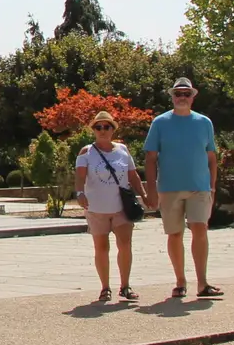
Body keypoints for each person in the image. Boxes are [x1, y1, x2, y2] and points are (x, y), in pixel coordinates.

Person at [144, 77, 223, 299]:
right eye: (178, 94)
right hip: (169, 188)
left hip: (199, 187)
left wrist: (212, 188)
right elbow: (150, 158)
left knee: (200, 230)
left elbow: (212, 158)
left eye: (186, 94)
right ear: (172, 97)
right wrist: (151, 190)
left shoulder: (204, 122)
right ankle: (180, 281)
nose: (181, 97)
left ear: (193, 97)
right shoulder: (160, 123)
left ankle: (203, 283)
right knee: (175, 234)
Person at [75, 110, 148, 301]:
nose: (102, 130)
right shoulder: (86, 152)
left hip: (121, 207)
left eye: (107, 126)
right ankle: (105, 287)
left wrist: (144, 195)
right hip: (97, 208)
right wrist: (80, 193)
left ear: (113, 129)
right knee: (101, 248)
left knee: (125, 245)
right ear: (93, 130)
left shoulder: (122, 150)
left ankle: (125, 286)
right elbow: (80, 177)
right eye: (98, 127)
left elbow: (133, 176)